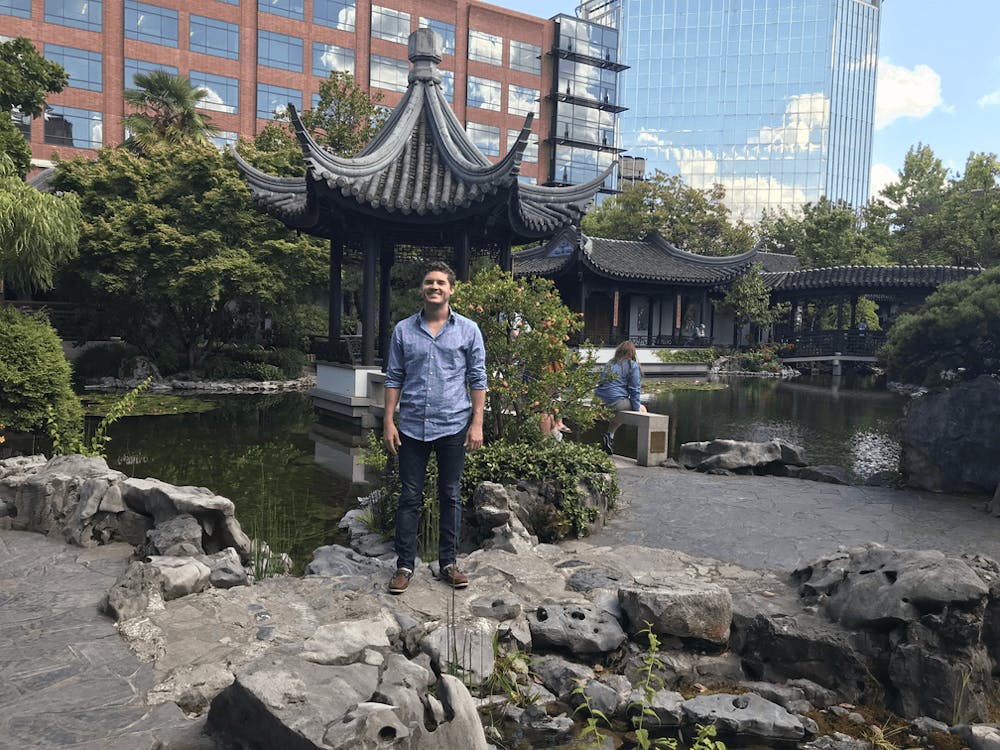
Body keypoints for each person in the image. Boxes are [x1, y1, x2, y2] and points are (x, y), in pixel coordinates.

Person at [382, 261, 487, 594]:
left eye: (441, 283)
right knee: (409, 497)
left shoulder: (468, 330)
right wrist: (388, 421)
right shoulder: (403, 330)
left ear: (451, 289)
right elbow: (394, 376)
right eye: (429, 282)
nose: (434, 287)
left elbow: (478, 377)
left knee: (451, 495)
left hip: (454, 424)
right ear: (422, 289)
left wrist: (477, 422)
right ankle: (404, 565)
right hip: (412, 425)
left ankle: (448, 563)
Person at [594, 340, 645, 455]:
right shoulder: (632, 365)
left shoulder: (610, 363)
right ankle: (641, 449)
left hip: (600, 401)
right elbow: (635, 390)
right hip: (614, 401)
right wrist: (637, 410)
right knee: (642, 408)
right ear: (632, 353)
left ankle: (609, 436)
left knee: (619, 412)